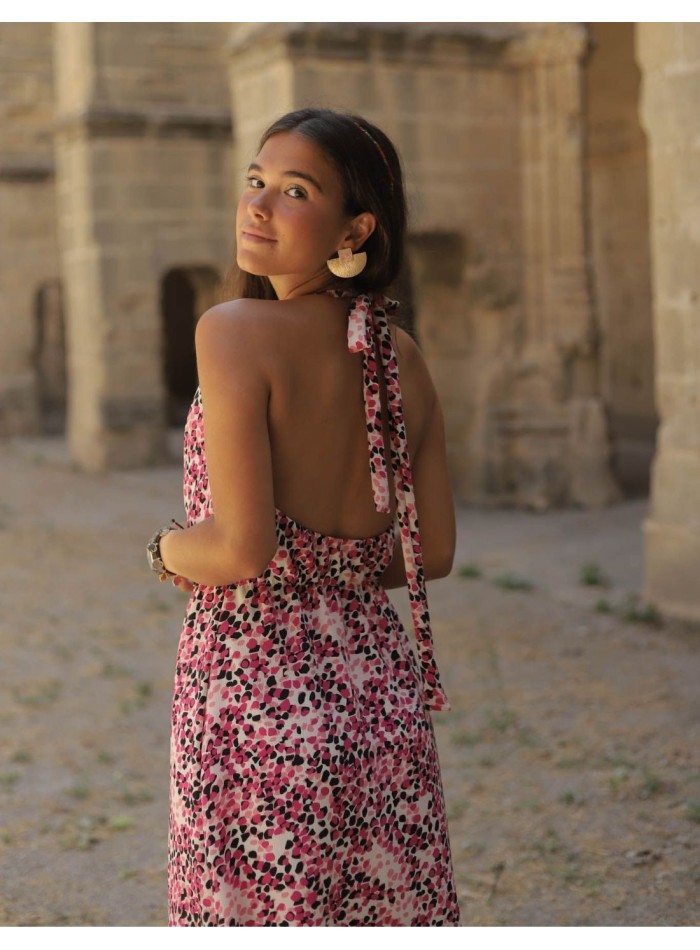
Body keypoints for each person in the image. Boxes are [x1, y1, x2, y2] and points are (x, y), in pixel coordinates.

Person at [145, 107, 460, 926]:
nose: (257, 205)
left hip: (255, 695)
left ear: (355, 229)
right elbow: (431, 553)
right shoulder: (403, 354)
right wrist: (335, 567)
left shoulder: (233, 330)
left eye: (295, 191)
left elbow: (240, 549)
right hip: (379, 700)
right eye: (256, 180)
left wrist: (164, 549)